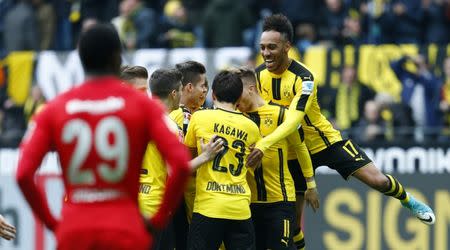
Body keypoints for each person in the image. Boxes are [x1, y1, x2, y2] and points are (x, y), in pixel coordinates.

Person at [247, 13, 435, 249]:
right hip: (293, 152)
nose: (265, 53)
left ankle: (409, 201)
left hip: (325, 142)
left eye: (272, 47)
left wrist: (264, 144)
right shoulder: (257, 76)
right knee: (294, 225)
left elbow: (294, 119)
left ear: (287, 47)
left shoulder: (305, 77)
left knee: (377, 181)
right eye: (262, 47)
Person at [16, 23, 191, 250]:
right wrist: (158, 219)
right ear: (117, 58)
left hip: (75, 229)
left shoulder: (55, 108)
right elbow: (181, 165)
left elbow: (23, 174)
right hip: (125, 228)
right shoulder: (144, 107)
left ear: (81, 59)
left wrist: (52, 223)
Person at [139, 68, 224, 250]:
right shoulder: (168, 125)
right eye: (180, 90)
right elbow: (176, 169)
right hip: (156, 204)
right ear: (174, 93)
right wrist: (206, 156)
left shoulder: (137, 118)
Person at [235, 67, 319, 250]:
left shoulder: (281, 114)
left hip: (280, 202)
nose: (235, 99)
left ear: (250, 89)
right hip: (248, 203)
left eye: (237, 93)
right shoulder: (236, 118)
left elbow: (300, 147)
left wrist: (310, 185)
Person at [185, 70, 261, 250]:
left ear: (213, 94)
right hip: (240, 209)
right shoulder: (251, 127)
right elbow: (254, 165)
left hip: (208, 208)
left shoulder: (199, 118)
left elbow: (187, 158)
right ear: (239, 98)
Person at [168, 60, 208, 250]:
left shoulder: (202, 114)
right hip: (185, 197)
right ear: (189, 87)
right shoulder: (178, 117)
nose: (206, 90)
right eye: (203, 85)